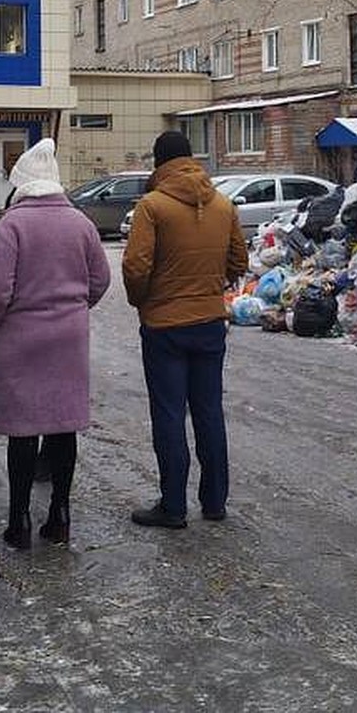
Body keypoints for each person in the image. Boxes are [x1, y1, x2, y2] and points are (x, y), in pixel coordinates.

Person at [0, 139, 110, 549]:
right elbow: (101, 279)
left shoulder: (12, 226)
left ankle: (19, 520)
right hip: (68, 339)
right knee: (62, 426)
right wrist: (73, 307)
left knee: (22, 432)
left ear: (22, 184)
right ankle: (60, 513)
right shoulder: (81, 223)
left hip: (20, 338)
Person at [122, 130, 248, 529]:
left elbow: (136, 266)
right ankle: (214, 502)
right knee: (210, 412)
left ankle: (173, 506)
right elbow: (239, 262)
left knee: (169, 414)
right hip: (210, 323)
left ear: (159, 164)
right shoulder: (223, 205)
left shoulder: (152, 206)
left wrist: (143, 300)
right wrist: (213, 286)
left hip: (164, 327)